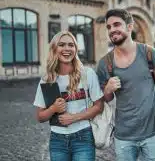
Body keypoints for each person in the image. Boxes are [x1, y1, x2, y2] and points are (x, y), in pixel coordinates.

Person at [96, 9, 155, 161]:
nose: (112, 30)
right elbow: (104, 100)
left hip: (153, 133)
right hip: (123, 137)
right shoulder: (104, 63)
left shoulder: (150, 54)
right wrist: (107, 89)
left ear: (129, 26)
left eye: (116, 24)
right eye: (109, 27)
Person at [33, 31, 104, 161]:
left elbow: (99, 106)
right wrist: (53, 109)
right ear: (54, 48)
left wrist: (74, 118)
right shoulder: (47, 79)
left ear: (75, 49)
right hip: (57, 140)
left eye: (71, 45)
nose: (67, 49)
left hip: (84, 137)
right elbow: (40, 116)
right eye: (61, 45)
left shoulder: (87, 74)